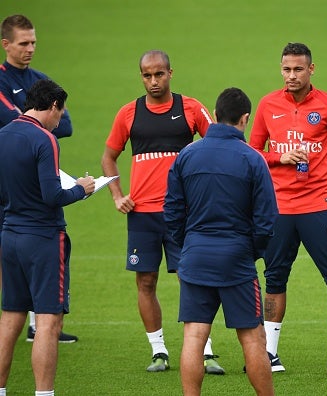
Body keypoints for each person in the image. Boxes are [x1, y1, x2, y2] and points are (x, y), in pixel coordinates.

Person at [101, 50, 224, 374]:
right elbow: (108, 157)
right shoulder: (129, 113)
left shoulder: (191, 108)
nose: (153, 81)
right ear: (141, 76)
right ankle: (159, 351)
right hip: (142, 214)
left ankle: (205, 351)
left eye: (159, 74)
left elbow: (217, 148)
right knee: (146, 281)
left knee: (193, 279)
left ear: (171, 72)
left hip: (184, 213)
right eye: (147, 75)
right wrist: (117, 195)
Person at [164, 87, 277, 396]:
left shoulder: (187, 155)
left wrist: (187, 244)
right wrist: (250, 251)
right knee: (253, 339)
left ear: (214, 115)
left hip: (195, 255)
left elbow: (172, 211)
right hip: (237, 258)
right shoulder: (253, 159)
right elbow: (267, 220)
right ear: (245, 119)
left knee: (194, 337)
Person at [249, 42, 327, 374]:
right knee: (275, 277)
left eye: (297, 69)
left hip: (319, 206)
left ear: (311, 69)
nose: (291, 76)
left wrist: (325, 175)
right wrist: (279, 157)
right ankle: (270, 353)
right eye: (286, 69)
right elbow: (252, 153)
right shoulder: (267, 105)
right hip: (278, 207)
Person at [0, 79, 95, 396]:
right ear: (53, 106)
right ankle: (44, 394)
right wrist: (82, 189)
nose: (60, 119)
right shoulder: (45, 140)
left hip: (10, 235)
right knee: (48, 322)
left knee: (10, 319)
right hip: (42, 239)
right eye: (61, 111)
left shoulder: (4, 134)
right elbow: (53, 195)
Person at [0, 14, 78, 344]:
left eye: (33, 42)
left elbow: (67, 125)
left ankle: (34, 324)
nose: (30, 48)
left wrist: (31, 117)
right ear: (6, 44)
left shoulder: (39, 79)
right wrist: (34, 119)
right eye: (23, 43)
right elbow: (16, 121)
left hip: (29, 173)